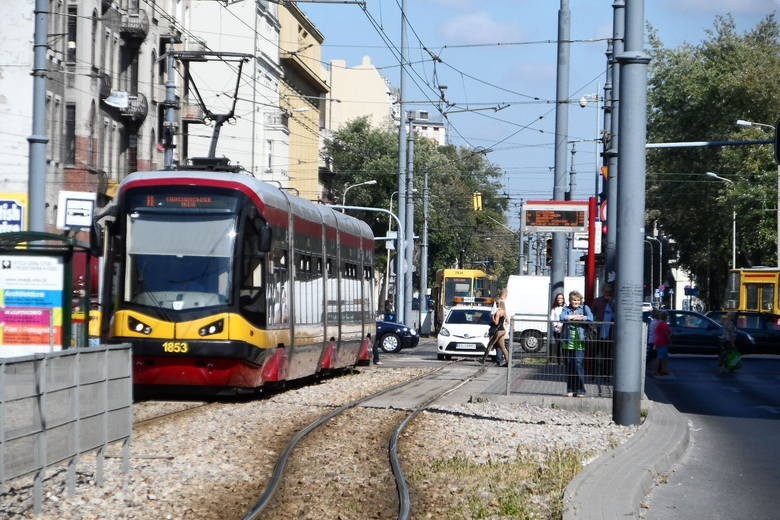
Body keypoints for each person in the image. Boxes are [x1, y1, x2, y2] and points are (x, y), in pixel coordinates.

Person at [560, 290, 593, 397]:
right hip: (568, 341)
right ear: (570, 300)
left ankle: (580, 390)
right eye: (574, 300)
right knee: (570, 366)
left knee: (578, 365)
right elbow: (562, 317)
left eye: (578, 300)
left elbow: (591, 318)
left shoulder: (584, 308)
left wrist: (582, 318)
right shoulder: (566, 308)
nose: (576, 302)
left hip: (580, 342)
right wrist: (572, 317)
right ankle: (570, 389)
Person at [590, 284, 615, 382]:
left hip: (609, 331)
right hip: (598, 329)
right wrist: (592, 326)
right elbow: (592, 314)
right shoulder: (597, 301)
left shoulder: (614, 302)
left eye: (609, 292)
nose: (607, 294)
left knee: (607, 354)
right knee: (594, 352)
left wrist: (611, 302)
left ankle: (606, 375)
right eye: (605, 292)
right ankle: (593, 374)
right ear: (602, 291)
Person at [483, 288, 510, 366]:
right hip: (503, 330)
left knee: (490, 344)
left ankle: (483, 359)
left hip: (498, 331)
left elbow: (496, 322)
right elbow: (507, 320)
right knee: (502, 347)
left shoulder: (498, 312)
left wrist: (492, 318)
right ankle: (508, 361)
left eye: (497, 304)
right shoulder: (504, 312)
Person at [652, 310, 671, 376]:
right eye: (667, 316)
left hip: (660, 341)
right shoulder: (663, 324)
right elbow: (666, 333)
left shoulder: (660, 323)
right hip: (662, 342)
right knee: (660, 357)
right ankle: (656, 371)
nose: (668, 317)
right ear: (665, 317)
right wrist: (669, 340)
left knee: (664, 357)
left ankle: (663, 370)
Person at [549, 292, 566, 363]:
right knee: (558, 344)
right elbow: (551, 318)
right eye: (558, 298)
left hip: (564, 328)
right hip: (556, 329)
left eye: (561, 298)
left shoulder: (566, 307)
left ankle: (564, 360)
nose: (560, 299)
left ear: (563, 299)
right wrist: (556, 326)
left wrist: (562, 326)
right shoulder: (554, 308)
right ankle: (558, 360)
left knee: (564, 344)